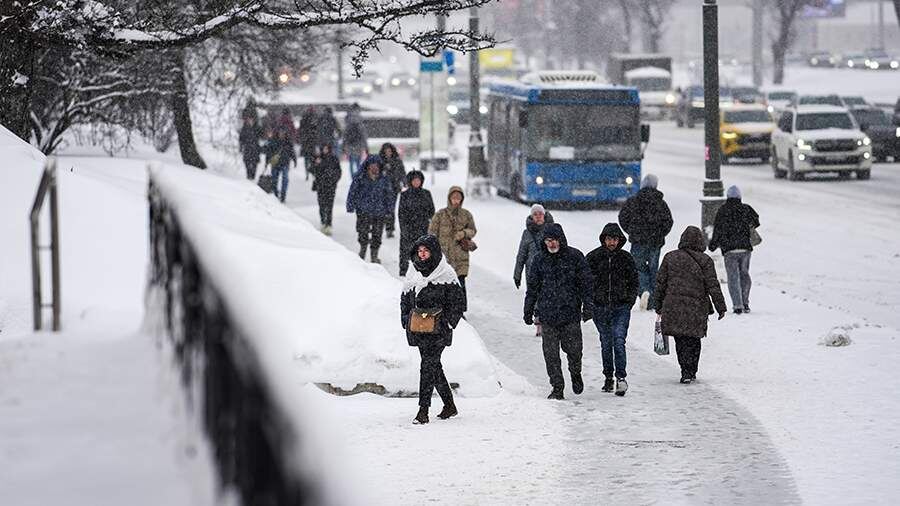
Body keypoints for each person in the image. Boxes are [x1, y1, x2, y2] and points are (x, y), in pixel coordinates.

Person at [523, 223, 594, 400]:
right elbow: (532, 288)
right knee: (551, 354)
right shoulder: (539, 260)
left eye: (554, 240)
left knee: (574, 351)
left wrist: (588, 306)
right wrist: (528, 309)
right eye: (548, 240)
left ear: (560, 240)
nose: (552, 244)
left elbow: (586, 284)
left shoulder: (575, 257)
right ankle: (557, 387)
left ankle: (575, 373)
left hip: (570, 314)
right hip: (548, 315)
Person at [400, 234, 466, 424]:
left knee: (427, 365)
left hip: (439, 331)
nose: (421, 255)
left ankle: (423, 410)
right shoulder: (413, 273)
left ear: (434, 252)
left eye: (425, 251)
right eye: (419, 251)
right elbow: (405, 299)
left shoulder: (446, 274)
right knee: (434, 367)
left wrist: (447, 322)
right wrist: (406, 320)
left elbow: (458, 303)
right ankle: (449, 405)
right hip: (419, 329)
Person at [653, 226, 727, 384]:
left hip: (674, 305)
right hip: (697, 307)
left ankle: (685, 370)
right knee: (694, 339)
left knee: (680, 339)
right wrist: (721, 307)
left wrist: (658, 304)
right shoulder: (705, 260)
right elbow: (713, 285)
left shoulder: (670, 257)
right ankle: (691, 369)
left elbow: (660, 283)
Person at [585, 223, 639, 396]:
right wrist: (590, 302)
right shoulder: (593, 258)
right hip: (600, 307)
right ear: (603, 239)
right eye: (609, 239)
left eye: (614, 239)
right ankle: (608, 376)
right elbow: (585, 282)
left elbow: (634, 281)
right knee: (606, 343)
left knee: (618, 340)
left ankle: (621, 378)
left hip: (621, 306)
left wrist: (629, 301)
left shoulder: (626, 258)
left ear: (619, 240)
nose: (612, 243)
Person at [618, 174, 674, 311]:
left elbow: (622, 217)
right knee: (654, 270)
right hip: (655, 241)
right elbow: (668, 221)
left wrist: (631, 231)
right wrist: (660, 234)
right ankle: (654, 299)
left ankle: (643, 290)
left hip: (638, 241)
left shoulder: (633, 201)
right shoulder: (661, 203)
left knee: (637, 268)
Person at [709, 185, 760, 314]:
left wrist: (713, 245)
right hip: (745, 248)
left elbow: (717, 230)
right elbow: (756, 221)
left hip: (729, 250)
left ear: (727, 197)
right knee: (744, 275)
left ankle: (737, 305)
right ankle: (745, 302)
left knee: (733, 277)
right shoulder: (746, 209)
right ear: (739, 197)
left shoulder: (723, 210)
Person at [429, 186, 476, 311]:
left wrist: (464, 233)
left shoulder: (466, 215)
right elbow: (432, 233)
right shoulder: (440, 214)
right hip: (444, 255)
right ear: (449, 198)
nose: (456, 200)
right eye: (454, 198)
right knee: (444, 283)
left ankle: (460, 309)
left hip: (461, 255)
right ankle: (445, 308)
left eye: (458, 198)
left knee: (460, 282)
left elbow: (473, 230)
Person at [513, 204, 554, 336]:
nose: (538, 217)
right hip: (532, 271)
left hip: (550, 269)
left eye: (540, 214)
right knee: (535, 296)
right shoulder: (527, 233)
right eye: (535, 214)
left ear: (544, 215)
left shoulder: (552, 230)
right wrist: (517, 274)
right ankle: (539, 324)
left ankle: (549, 322)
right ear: (532, 216)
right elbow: (521, 254)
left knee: (549, 295)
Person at [346, 155, 394, 263]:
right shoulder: (360, 177)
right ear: (367, 166)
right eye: (372, 165)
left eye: (376, 166)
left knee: (377, 234)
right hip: (363, 211)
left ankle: (374, 255)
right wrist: (350, 205)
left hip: (379, 211)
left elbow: (389, 195)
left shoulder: (384, 179)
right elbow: (352, 192)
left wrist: (390, 209)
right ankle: (362, 251)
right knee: (362, 232)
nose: (374, 168)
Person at [397, 170, 434, 276]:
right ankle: (404, 272)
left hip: (423, 228)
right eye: (414, 180)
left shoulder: (426, 194)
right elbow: (401, 214)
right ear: (410, 181)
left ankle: (424, 271)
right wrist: (404, 229)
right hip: (408, 228)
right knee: (406, 252)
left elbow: (431, 211)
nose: (416, 182)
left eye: (418, 180)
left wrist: (428, 224)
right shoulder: (405, 195)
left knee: (423, 252)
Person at [310, 144, 341, 236]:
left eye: (327, 148)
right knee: (321, 204)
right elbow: (311, 170)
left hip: (331, 186)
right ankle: (323, 221)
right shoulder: (318, 158)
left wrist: (335, 179)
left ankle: (328, 224)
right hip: (320, 185)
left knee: (330, 206)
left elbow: (338, 171)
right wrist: (316, 163)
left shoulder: (334, 158)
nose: (325, 150)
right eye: (323, 148)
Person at [380, 142, 407, 238]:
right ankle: (384, 226)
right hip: (382, 189)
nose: (388, 152)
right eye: (386, 151)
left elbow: (402, 172)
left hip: (394, 188)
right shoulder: (380, 161)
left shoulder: (397, 160)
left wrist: (405, 182)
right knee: (384, 208)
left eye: (389, 151)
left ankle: (390, 228)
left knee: (391, 209)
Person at [264, 128, 296, 203]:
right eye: (280, 132)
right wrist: (266, 162)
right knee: (274, 180)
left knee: (285, 180)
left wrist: (295, 160)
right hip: (275, 164)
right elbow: (268, 152)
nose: (281, 134)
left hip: (285, 163)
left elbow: (292, 152)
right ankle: (275, 194)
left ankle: (283, 195)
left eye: (283, 132)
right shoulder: (273, 141)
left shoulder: (288, 142)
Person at [343, 104, 368, 177]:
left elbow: (345, 135)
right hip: (358, 144)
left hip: (350, 144)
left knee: (351, 162)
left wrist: (343, 146)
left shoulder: (348, 120)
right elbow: (364, 136)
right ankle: (358, 176)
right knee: (358, 162)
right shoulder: (360, 120)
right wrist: (366, 147)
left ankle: (352, 177)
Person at [238, 112, 263, 180]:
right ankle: (249, 176)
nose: (250, 120)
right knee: (247, 163)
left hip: (255, 149)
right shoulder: (245, 127)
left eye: (251, 119)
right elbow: (241, 138)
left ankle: (252, 177)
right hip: (247, 148)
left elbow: (262, 136)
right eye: (249, 119)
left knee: (254, 164)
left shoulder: (257, 127)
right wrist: (241, 147)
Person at [298, 106, 319, 180]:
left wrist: (301, 139)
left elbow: (300, 131)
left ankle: (307, 173)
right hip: (312, 142)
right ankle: (313, 173)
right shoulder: (314, 119)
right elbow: (317, 130)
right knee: (312, 159)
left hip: (305, 142)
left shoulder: (303, 119)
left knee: (306, 159)